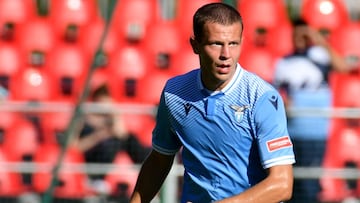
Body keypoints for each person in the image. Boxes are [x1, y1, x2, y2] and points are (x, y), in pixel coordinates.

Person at [130, 3, 295, 203]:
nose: (226, 54)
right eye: (216, 43)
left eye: (233, 43)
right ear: (195, 45)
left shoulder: (262, 98)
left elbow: (282, 185)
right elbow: (159, 160)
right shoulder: (175, 93)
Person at [272, 19, 353, 203]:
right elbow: (276, 92)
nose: (300, 38)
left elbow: (342, 66)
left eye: (303, 33)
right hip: (290, 131)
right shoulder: (283, 62)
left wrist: (317, 39)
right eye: (297, 34)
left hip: (314, 132)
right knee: (291, 180)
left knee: (309, 181)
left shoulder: (320, 57)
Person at [73, 84, 151, 196]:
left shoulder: (111, 122)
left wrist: (115, 114)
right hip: (92, 158)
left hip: (111, 152)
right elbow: (75, 147)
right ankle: (95, 179)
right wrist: (99, 135)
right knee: (111, 143)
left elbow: (122, 133)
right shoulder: (84, 121)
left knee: (129, 139)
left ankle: (148, 169)